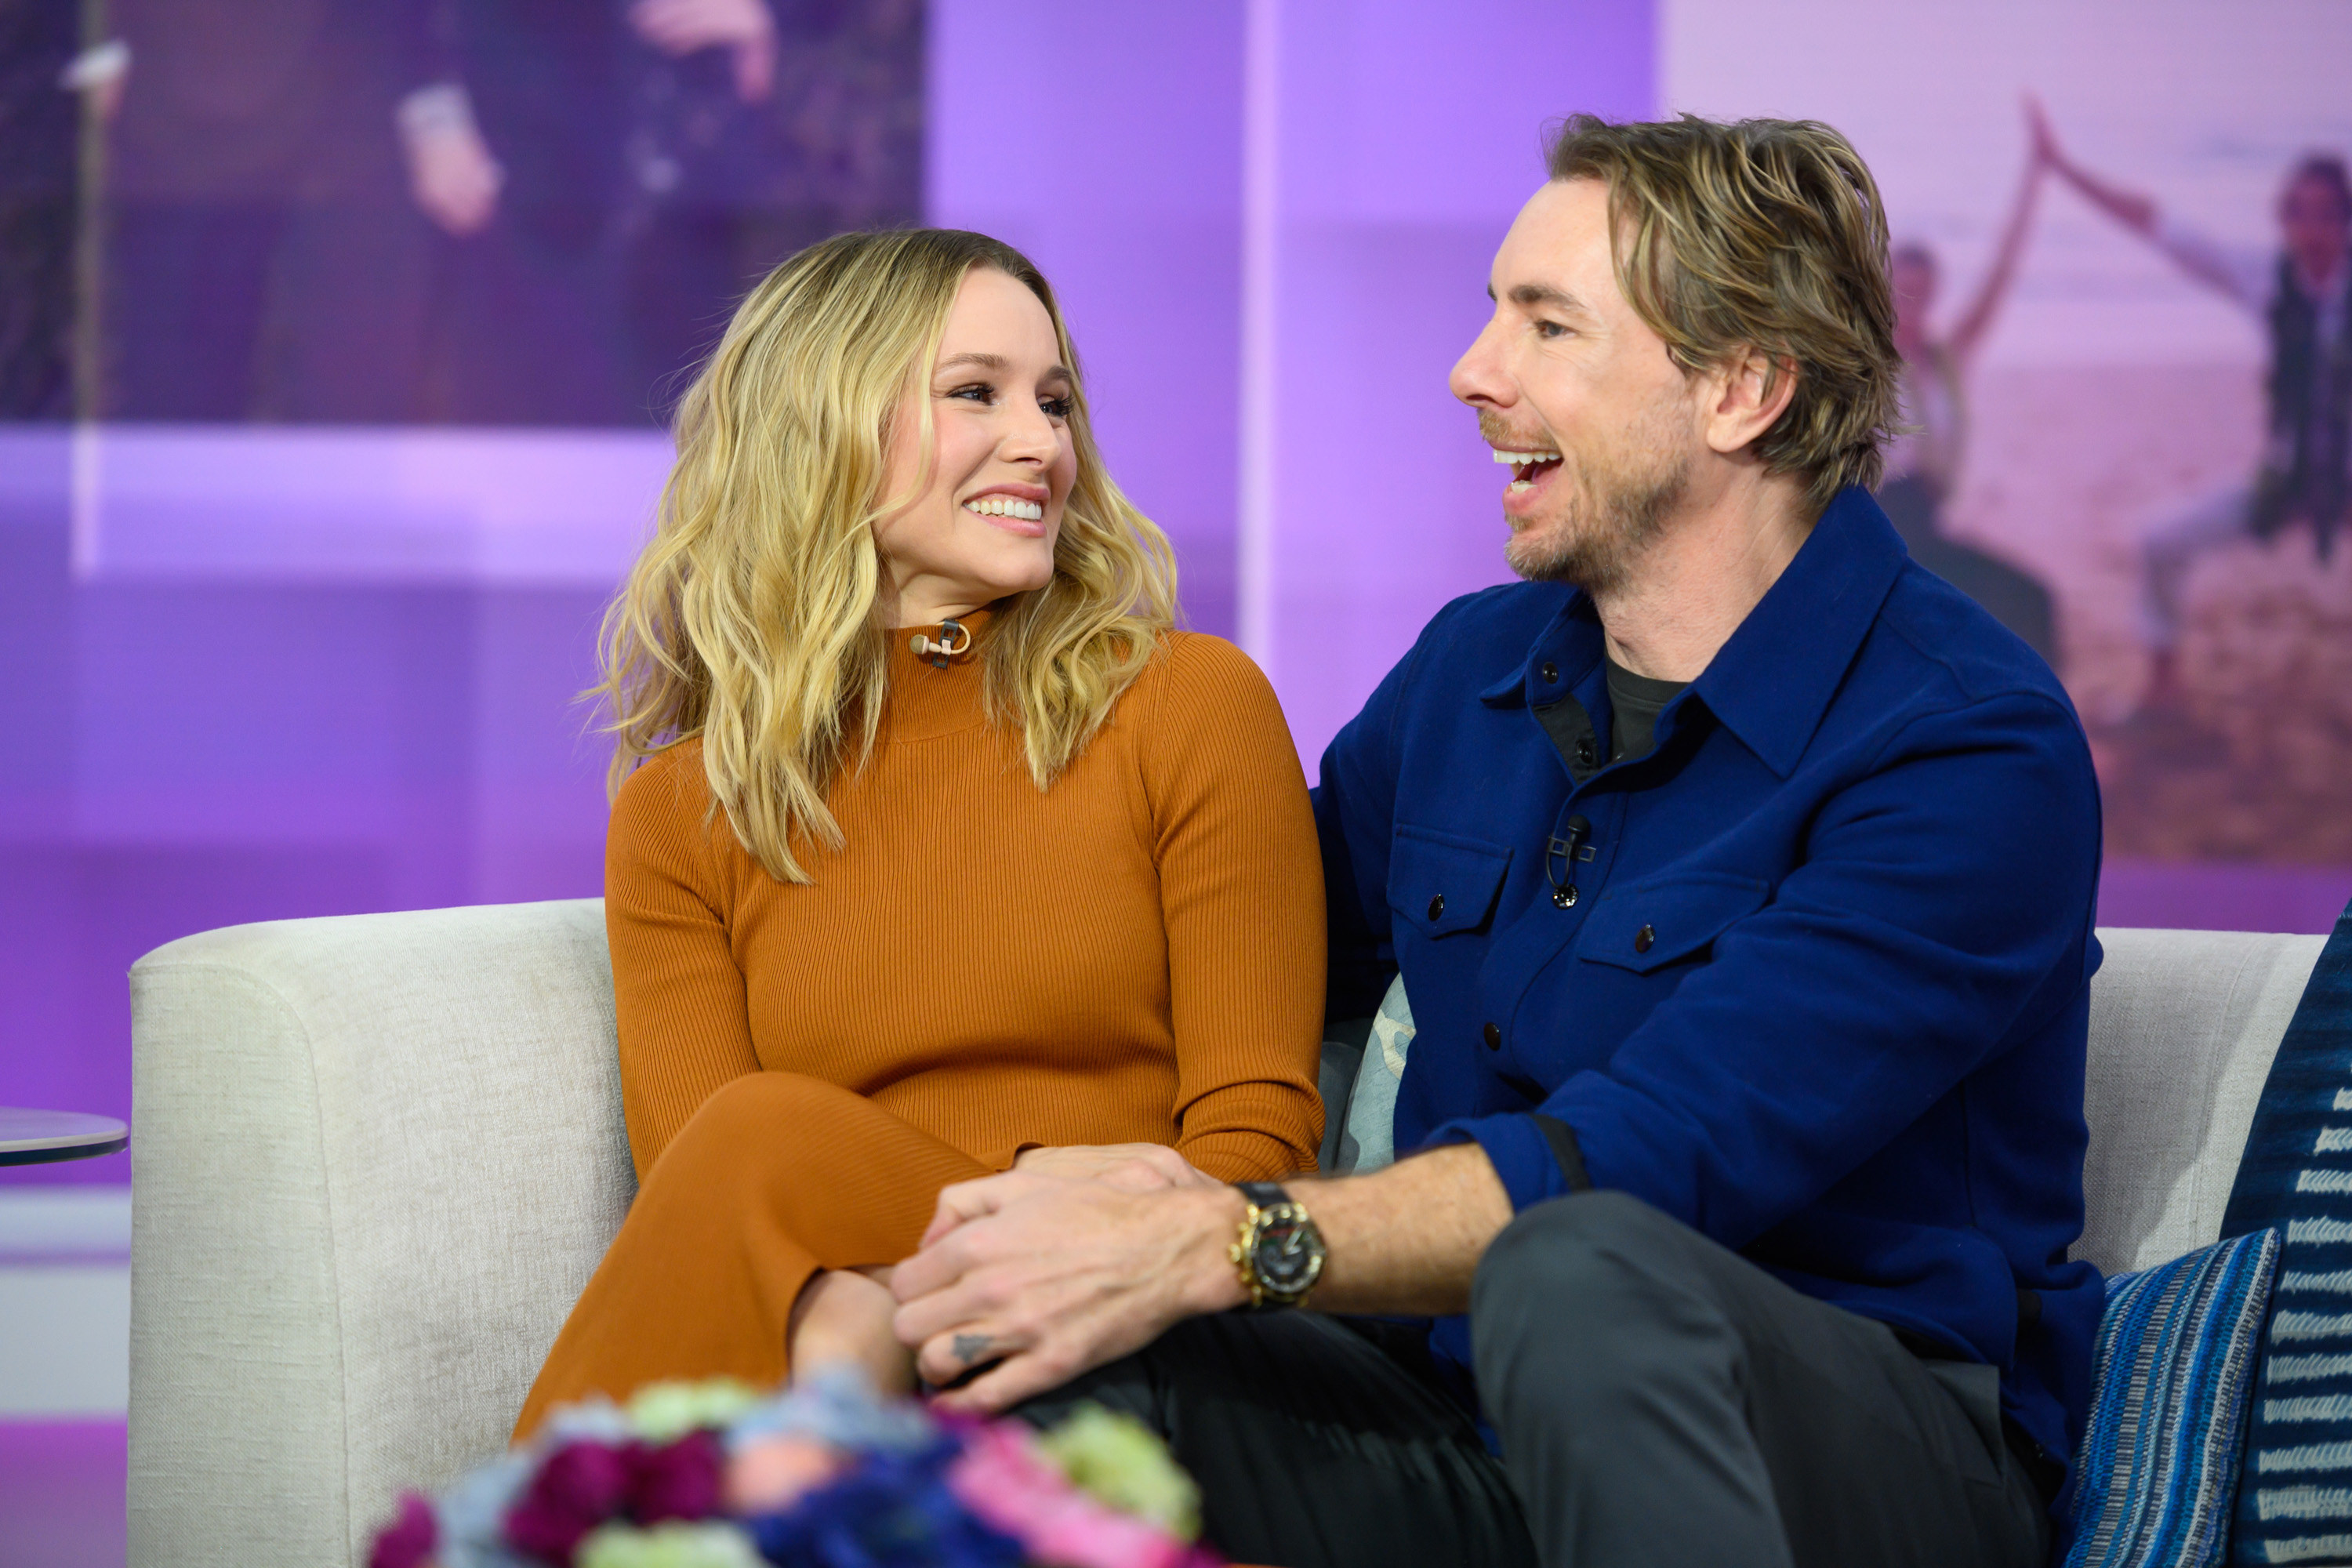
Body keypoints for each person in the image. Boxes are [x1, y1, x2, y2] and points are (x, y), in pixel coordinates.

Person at [890, 114, 2101, 1568]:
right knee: (1035, 1342)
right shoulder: (1474, 671)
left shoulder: (1968, 742)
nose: (1475, 373)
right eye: (1491, 315)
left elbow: (1662, 1156)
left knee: (1580, 1270)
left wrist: (1225, 1239)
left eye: (1545, 324)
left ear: (1741, 390)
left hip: (1865, 1457)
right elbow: (1215, 961)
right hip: (1466, 1416)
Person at [512, 228, 1327, 1436]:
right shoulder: (688, 805)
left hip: (1133, 1320)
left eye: (1055, 402)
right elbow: (707, 1215)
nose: (1041, 443)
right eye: (975, 395)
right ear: (822, 431)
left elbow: (1254, 1146)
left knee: (764, 1138)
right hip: (838, 1339)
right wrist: (904, 1287)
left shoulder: (1188, 705)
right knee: (761, 1170)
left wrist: (1013, 1232)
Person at [2031, 100, 2352, 715]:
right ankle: (2164, 688)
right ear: (2284, 222)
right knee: (2159, 544)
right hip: (2285, 484)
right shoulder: (2266, 279)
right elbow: (2160, 226)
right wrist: (2063, 167)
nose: (2312, 230)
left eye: (2327, 215)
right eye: (2298, 214)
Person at [1879, 134, 2060, 668]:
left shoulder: (1946, 363)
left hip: (1926, 529)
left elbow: (2001, 275)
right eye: (1900, 293)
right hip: (1879, 529)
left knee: (2032, 601)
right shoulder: (1860, 365)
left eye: (1923, 293)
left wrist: (2035, 177)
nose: (1912, 307)